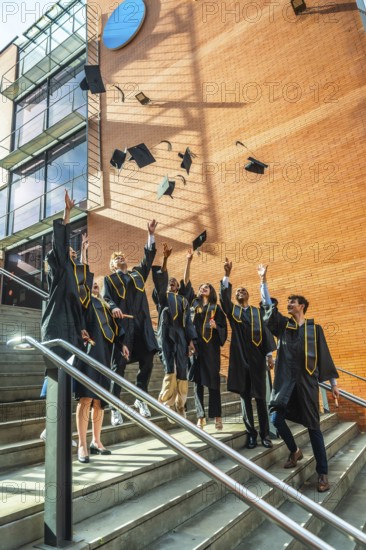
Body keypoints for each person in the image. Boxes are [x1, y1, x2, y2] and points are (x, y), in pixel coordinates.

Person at [258, 263, 340, 492]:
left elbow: (325, 356)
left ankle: (322, 473)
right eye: (288, 302)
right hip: (285, 380)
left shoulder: (316, 330)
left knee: (314, 427)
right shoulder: (285, 326)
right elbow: (269, 310)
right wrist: (263, 281)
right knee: (275, 419)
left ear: (301, 305)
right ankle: (294, 451)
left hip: (306, 383)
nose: (288, 304)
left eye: (292, 302)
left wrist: (333, 385)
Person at [40, 189, 90, 442]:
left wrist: (81, 328)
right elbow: (60, 245)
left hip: (70, 329)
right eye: (68, 253)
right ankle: (52, 427)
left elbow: (78, 304)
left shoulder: (70, 274)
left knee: (67, 380)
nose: (71, 254)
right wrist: (68, 213)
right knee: (56, 377)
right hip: (56, 327)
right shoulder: (59, 270)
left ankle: (60, 428)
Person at [103, 220, 159, 423]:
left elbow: (148, 259)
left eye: (121, 257)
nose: (119, 259)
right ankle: (114, 406)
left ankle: (140, 397)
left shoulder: (137, 274)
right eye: (116, 258)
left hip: (141, 326)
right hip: (123, 329)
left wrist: (150, 236)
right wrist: (113, 307)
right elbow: (106, 298)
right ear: (112, 265)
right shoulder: (109, 281)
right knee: (118, 366)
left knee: (148, 360)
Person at [220, 257, 276, 449]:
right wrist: (226, 275)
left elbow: (267, 329)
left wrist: (269, 355)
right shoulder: (232, 311)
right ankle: (251, 434)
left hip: (257, 358)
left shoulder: (256, 312)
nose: (240, 292)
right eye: (237, 291)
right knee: (245, 398)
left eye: (243, 290)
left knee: (260, 398)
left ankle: (265, 435)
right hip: (240, 357)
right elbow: (223, 300)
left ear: (248, 295)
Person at [74, 275, 130, 463]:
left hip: (105, 354)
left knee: (99, 400)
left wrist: (121, 344)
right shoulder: (85, 301)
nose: (95, 284)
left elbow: (114, 329)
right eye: (92, 283)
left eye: (97, 283)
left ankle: (96, 441)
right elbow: (77, 315)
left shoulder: (106, 305)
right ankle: (82, 445)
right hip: (89, 351)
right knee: (86, 396)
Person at [181, 249, 227, 430]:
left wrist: (218, 328)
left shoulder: (217, 308)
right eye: (201, 286)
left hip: (211, 349)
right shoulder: (194, 304)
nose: (203, 287)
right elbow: (185, 282)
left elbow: (224, 328)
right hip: (196, 348)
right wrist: (188, 261)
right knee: (198, 383)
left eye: (206, 286)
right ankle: (200, 416)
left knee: (213, 382)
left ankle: (217, 416)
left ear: (211, 291)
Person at [152, 243, 197, 418]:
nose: (171, 283)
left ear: (178, 287)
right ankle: (166, 402)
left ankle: (180, 404)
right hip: (166, 334)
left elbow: (189, 323)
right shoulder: (164, 298)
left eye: (174, 282)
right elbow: (161, 280)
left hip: (182, 336)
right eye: (169, 282)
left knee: (183, 370)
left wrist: (188, 262)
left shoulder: (184, 301)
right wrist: (165, 259)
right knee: (170, 368)